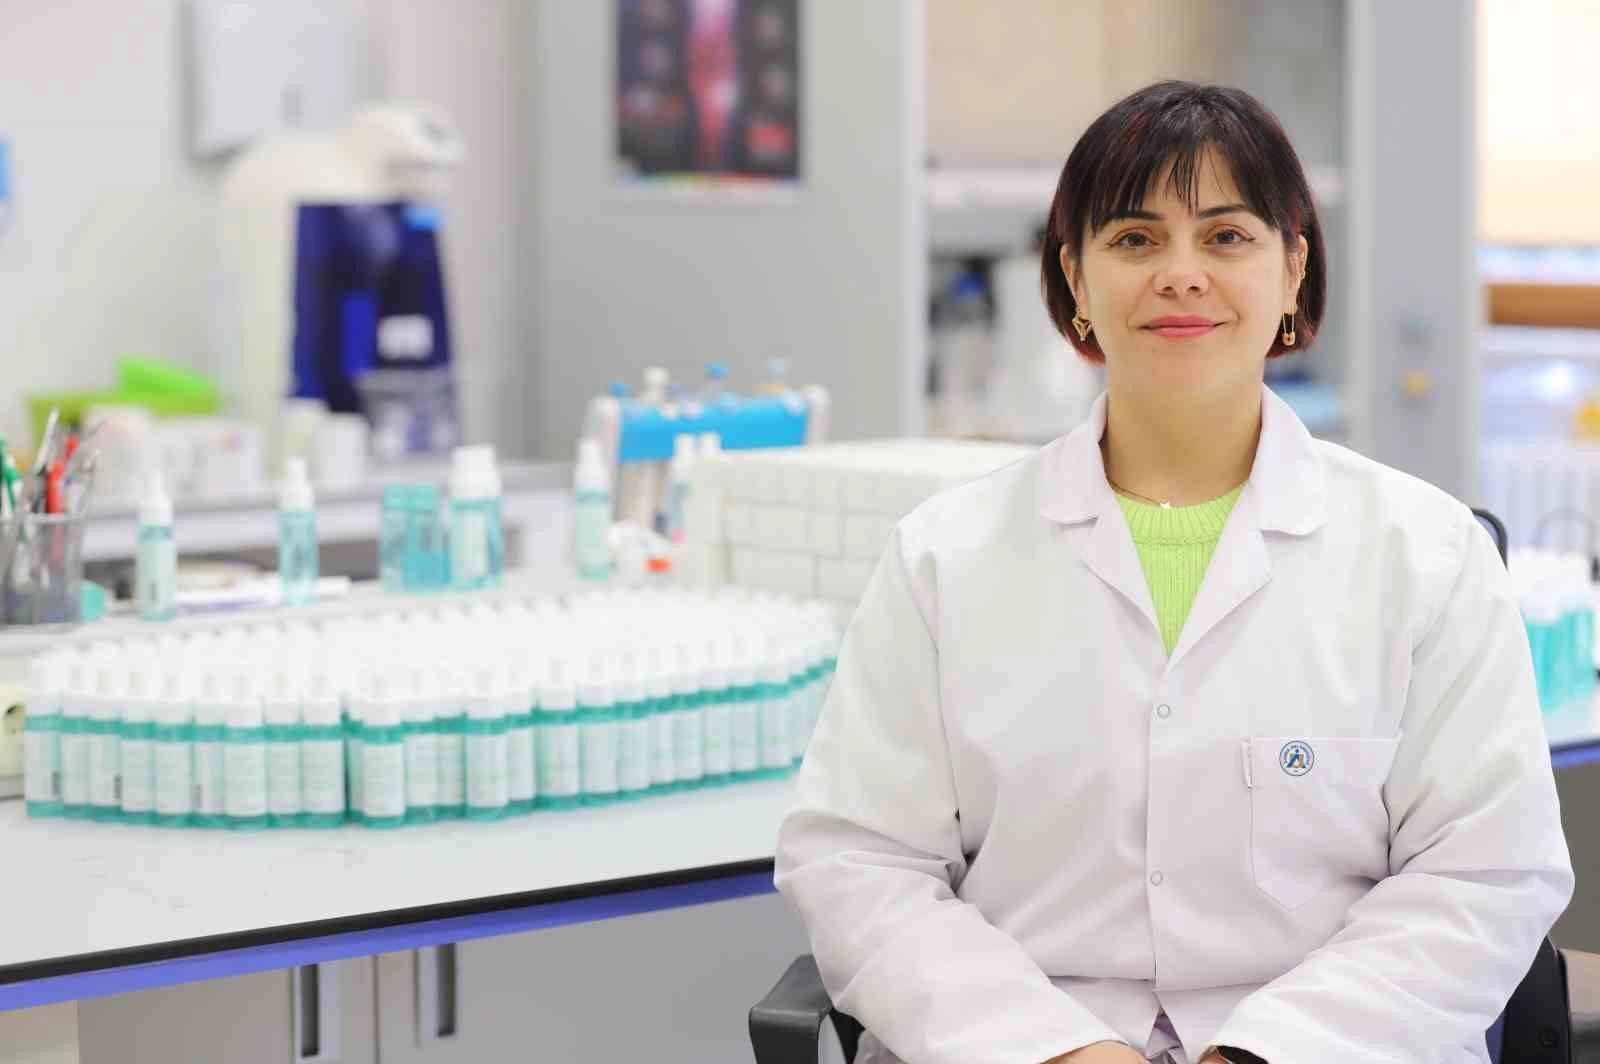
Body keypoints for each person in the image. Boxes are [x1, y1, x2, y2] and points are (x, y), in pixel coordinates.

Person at [774, 81, 1574, 1064]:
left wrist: (1263, 1053)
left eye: (1226, 236)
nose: (1181, 275)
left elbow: (1486, 870)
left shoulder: (1428, 555)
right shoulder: (944, 556)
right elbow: (860, 859)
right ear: (1074, 278)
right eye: (1134, 239)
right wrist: (1057, 1049)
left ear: (1293, 270)